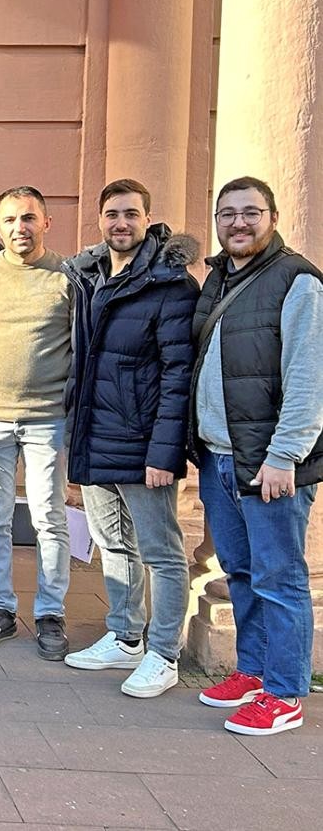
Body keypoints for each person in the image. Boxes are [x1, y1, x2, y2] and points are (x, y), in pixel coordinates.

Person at [191, 176, 323, 736]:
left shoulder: (298, 283)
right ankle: (253, 670)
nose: (238, 222)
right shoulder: (219, 277)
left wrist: (284, 456)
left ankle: (287, 691)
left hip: (269, 462)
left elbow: (309, 378)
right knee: (240, 571)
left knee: (280, 576)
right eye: (228, 213)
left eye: (251, 212)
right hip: (222, 455)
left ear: (271, 217)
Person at [61, 179, 198, 697]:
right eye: (112, 214)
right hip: (96, 435)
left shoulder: (170, 284)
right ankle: (125, 637)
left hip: (143, 444)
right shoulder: (89, 276)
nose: (121, 223)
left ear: (147, 218)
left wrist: (164, 453)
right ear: (100, 219)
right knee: (112, 543)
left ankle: (165, 653)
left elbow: (177, 373)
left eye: (131, 214)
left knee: (160, 551)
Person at [0, 186, 74, 659]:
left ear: (46, 222)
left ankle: (50, 612)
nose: (19, 228)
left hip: (48, 416)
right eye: (9, 220)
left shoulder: (68, 277)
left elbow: (77, 343)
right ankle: (0, 608)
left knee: (49, 515)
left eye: (28, 218)